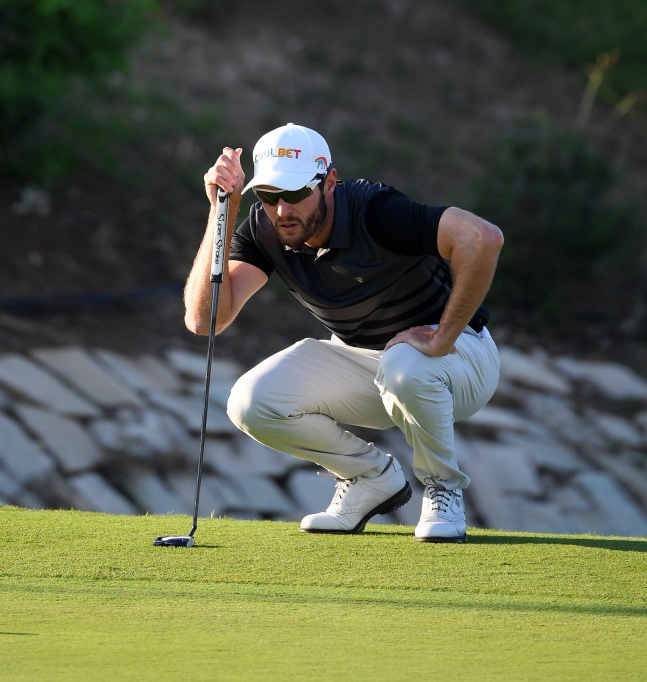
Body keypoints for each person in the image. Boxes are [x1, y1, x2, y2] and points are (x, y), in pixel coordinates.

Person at [185, 123, 502, 542]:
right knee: (251, 402)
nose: (282, 210)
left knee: (405, 365)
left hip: (458, 358)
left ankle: (442, 488)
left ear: (329, 181)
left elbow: (482, 238)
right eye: (268, 196)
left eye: (296, 195)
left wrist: (444, 335)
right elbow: (206, 319)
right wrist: (220, 211)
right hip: (365, 361)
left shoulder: (377, 211)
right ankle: (370, 478)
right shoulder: (264, 229)